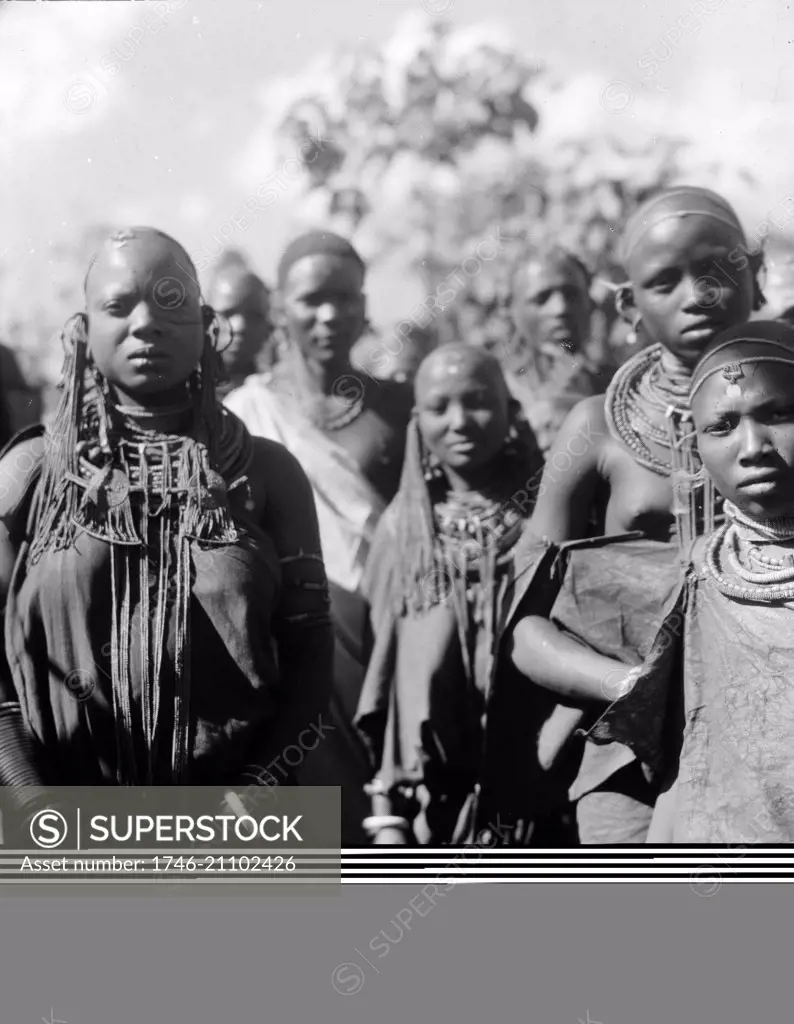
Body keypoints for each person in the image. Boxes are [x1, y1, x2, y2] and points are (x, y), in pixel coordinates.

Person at [0, 228, 333, 810]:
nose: (147, 322)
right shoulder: (28, 474)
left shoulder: (269, 474)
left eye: (170, 302)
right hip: (62, 831)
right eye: (118, 305)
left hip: (243, 829)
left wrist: (257, 789)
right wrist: (31, 800)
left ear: (206, 324)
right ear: (83, 329)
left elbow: (309, 655)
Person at [524, 186, 765, 844]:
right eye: (665, 281)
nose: (698, 295)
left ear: (759, 276)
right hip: (631, 756)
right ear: (630, 305)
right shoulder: (595, 430)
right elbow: (524, 627)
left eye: (718, 269)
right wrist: (633, 685)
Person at [512, 320, 794, 843]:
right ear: (696, 447)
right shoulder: (696, 579)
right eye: (722, 426)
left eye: (779, 414)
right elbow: (693, 763)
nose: (753, 446)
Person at [225, 230, 413, 844]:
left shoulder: (402, 408)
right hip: (290, 650)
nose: (329, 314)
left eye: (345, 297)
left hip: (387, 644)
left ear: (364, 305)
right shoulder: (241, 417)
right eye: (311, 299)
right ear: (281, 308)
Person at [354, 344, 581, 846]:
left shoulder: (548, 520)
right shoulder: (403, 534)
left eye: (478, 401)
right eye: (439, 407)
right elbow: (385, 686)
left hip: (545, 799)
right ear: (417, 422)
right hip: (432, 814)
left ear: (510, 411)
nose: (459, 422)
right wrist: (386, 817)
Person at [503, 245, 610, 454]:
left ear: (591, 303)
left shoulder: (622, 385)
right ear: (509, 309)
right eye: (542, 298)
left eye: (572, 295)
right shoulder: (494, 392)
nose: (560, 309)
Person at [205, 264, 275, 393]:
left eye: (254, 316)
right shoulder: (181, 394)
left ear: (268, 328)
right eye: (227, 314)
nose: (240, 326)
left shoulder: (275, 398)